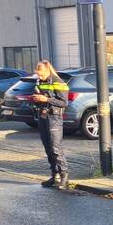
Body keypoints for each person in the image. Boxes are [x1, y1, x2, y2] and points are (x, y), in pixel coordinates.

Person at [32, 59, 69, 189]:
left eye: (41, 74)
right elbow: (40, 98)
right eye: (38, 74)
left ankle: (64, 176)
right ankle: (54, 175)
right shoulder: (40, 82)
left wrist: (46, 99)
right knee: (48, 148)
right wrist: (36, 99)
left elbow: (64, 102)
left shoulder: (58, 82)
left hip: (55, 117)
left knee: (56, 148)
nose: (39, 76)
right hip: (43, 116)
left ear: (48, 70)